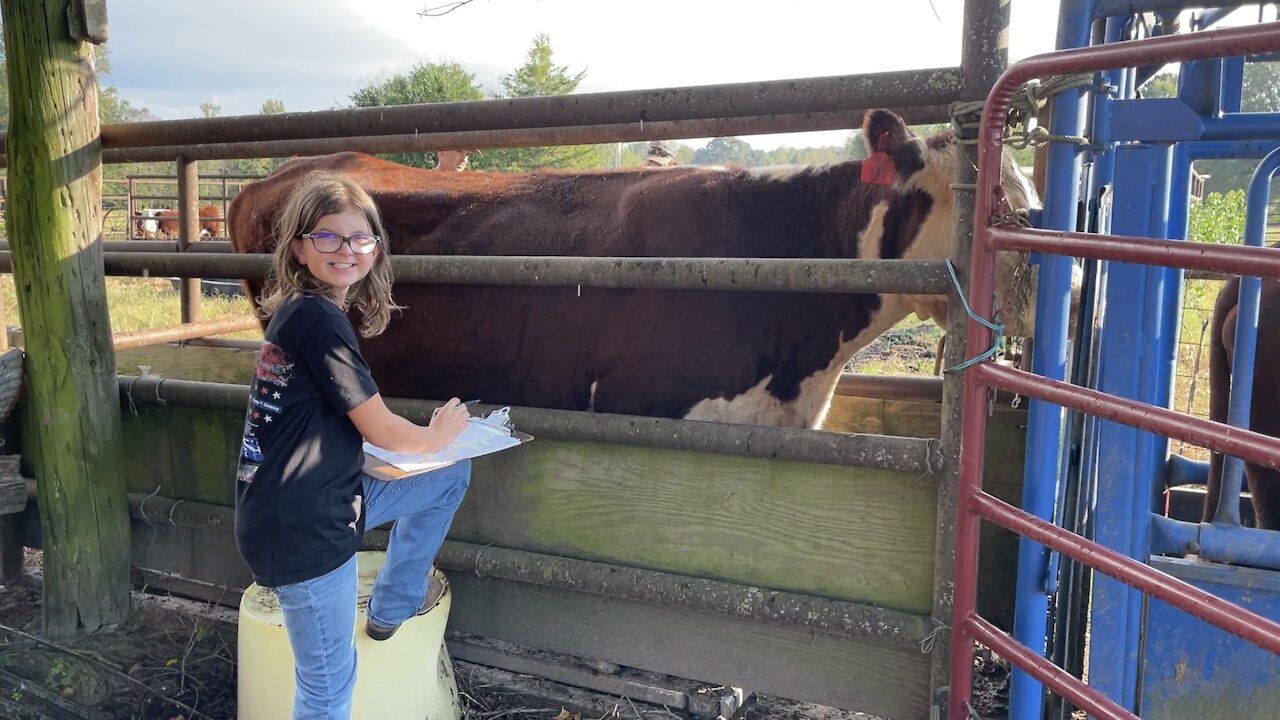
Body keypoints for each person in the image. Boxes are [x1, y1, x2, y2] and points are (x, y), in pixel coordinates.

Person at [233, 171, 473, 719]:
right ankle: (390, 607)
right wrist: (438, 435)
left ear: (375, 247)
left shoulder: (303, 314)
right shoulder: (318, 321)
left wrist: (378, 462)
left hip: (320, 498)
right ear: (298, 248)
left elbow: (306, 424)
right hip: (308, 528)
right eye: (327, 238)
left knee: (448, 476)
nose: (346, 250)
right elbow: (381, 427)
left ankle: (391, 607)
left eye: (358, 238)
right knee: (327, 687)